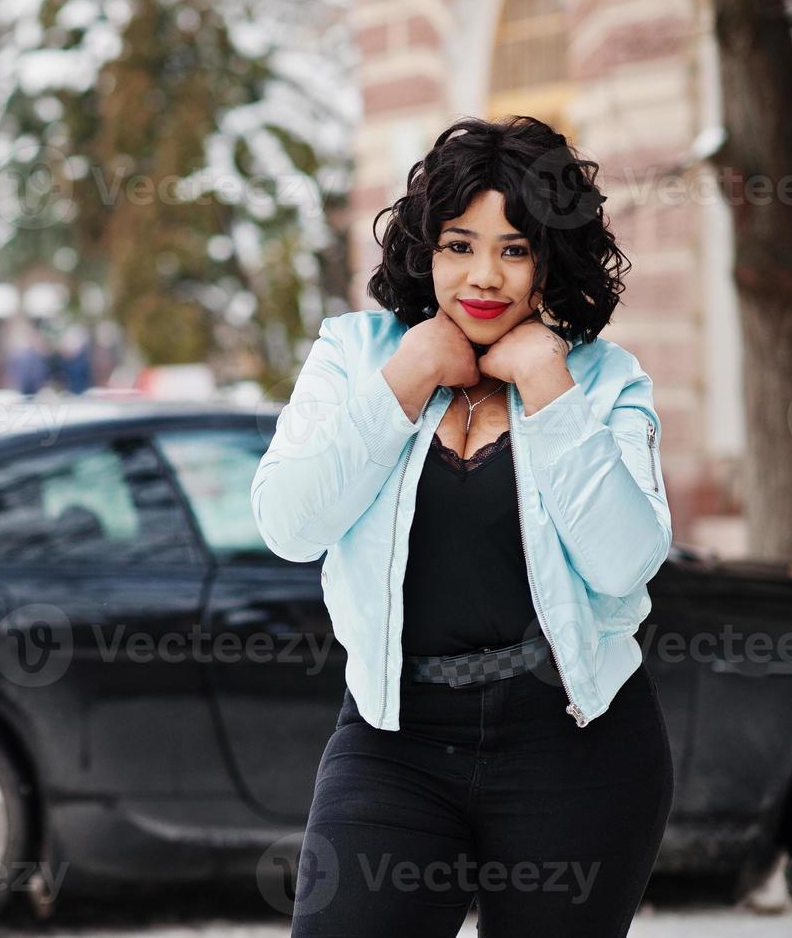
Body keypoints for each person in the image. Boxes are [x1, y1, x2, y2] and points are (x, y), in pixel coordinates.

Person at [253, 116, 674, 937]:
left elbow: (625, 562)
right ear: (425, 251)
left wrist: (549, 389)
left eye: (514, 249)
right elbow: (290, 525)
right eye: (458, 244)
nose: (484, 276)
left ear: (550, 257)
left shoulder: (602, 379)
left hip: (576, 743)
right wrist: (404, 379)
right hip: (394, 738)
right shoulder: (353, 355)